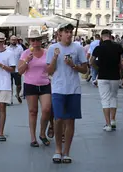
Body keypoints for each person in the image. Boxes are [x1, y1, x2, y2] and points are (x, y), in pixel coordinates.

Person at [47, 23, 87, 163]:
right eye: (66, 32)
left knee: (70, 120)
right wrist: (54, 58)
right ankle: (58, 149)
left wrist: (73, 65)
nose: (69, 34)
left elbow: (85, 69)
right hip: (58, 88)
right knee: (58, 120)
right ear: (60, 34)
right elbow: (49, 71)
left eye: (70, 32)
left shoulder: (78, 48)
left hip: (74, 89)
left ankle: (66, 152)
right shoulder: (52, 48)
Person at [18, 30, 51, 147]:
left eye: (38, 40)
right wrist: (27, 61)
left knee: (47, 109)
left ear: (41, 41)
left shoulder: (47, 52)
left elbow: (51, 68)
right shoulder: (25, 53)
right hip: (30, 84)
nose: (35, 42)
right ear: (29, 42)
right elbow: (20, 71)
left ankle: (42, 133)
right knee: (33, 111)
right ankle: (33, 138)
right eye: (33, 40)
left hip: (45, 83)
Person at [91, 29, 123, 132]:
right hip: (115, 76)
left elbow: (91, 61)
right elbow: (122, 63)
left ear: (102, 37)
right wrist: (121, 74)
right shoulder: (118, 47)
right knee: (113, 97)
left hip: (103, 76)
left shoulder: (98, 48)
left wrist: (98, 68)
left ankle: (108, 124)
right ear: (110, 36)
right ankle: (113, 120)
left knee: (105, 99)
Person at [7, 35, 24, 104]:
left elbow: (22, 58)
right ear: (10, 40)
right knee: (9, 85)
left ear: (17, 40)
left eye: (15, 40)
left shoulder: (20, 48)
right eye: (12, 39)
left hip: (17, 69)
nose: (13, 41)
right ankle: (9, 100)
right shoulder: (7, 48)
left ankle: (17, 94)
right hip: (9, 69)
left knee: (19, 85)